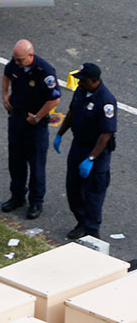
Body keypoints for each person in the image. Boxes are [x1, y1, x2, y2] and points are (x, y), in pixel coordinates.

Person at [53, 63, 117, 239]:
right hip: (78, 145)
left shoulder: (106, 101)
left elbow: (106, 133)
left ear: (94, 81)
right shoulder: (81, 91)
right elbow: (72, 113)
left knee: (94, 192)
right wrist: (60, 134)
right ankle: (81, 222)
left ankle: (92, 231)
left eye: (83, 80)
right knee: (72, 188)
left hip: (96, 151)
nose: (79, 83)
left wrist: (91, 158)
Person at [1, 39, 61, 219]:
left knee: (36, 165)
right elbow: (6, 74)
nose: (17, 63)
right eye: (15, 59)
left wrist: (37, 117)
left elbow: (54, 99)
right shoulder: (15, 64)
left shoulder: (45, 72)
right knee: (16, 161)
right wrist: (5, 95)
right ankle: (17, 196)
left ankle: (36, 202)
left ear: (31, 56)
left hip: (35, 124)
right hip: (17, 118)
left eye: (20, 60)